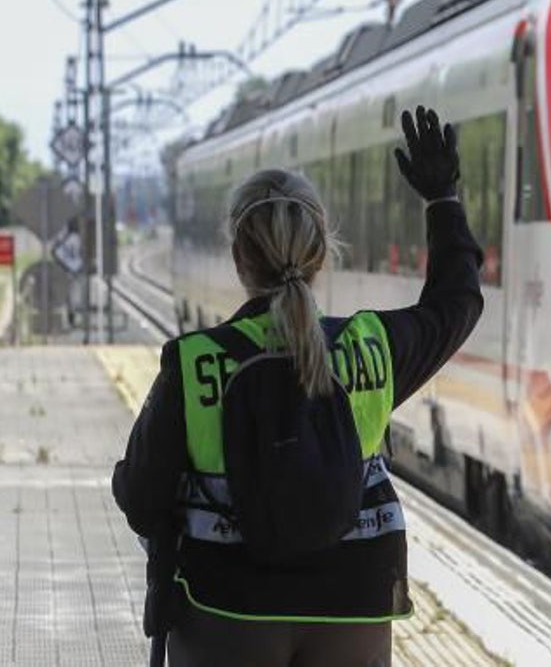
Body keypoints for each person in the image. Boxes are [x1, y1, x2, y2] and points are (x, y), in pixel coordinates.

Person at [112, 106, 483, 667]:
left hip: (225, 611)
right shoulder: (372, 348)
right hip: (355, 602)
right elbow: (456, 303)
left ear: (239, 257)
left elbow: (142, 500)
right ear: (319, 256)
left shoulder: (193, 363)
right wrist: (443, 201)